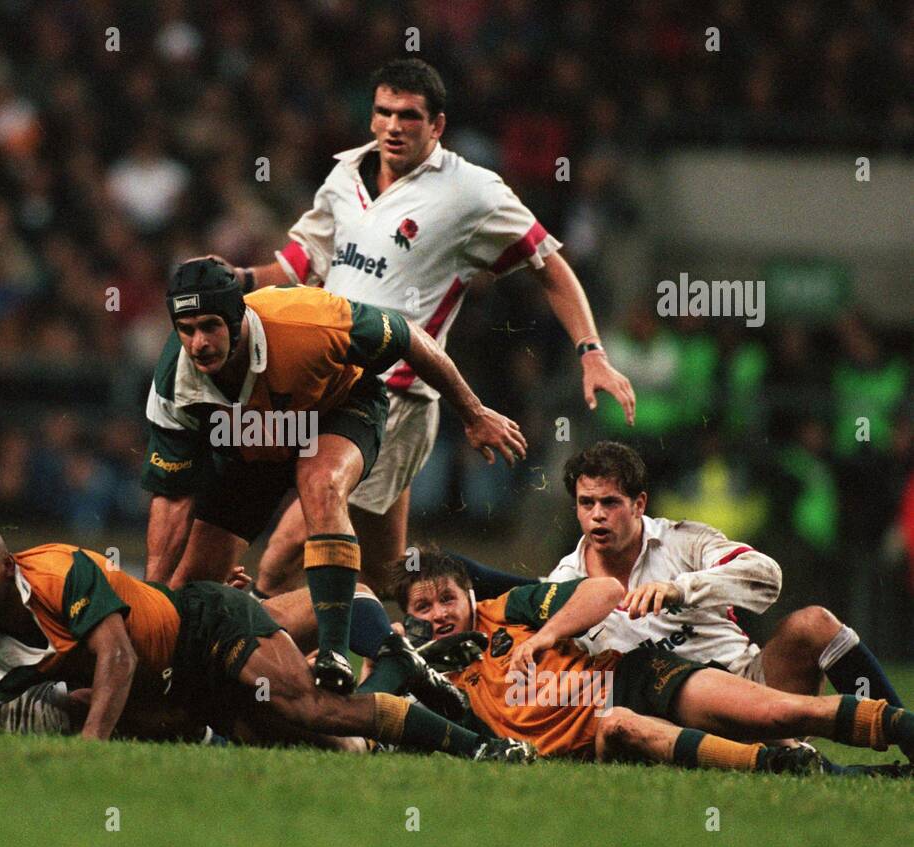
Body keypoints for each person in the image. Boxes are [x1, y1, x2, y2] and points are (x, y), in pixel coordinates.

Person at [214, 58, 635, 599]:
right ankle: (492, 607)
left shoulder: (472, 192)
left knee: (279, 560)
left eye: (409, 116)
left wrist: (591, 351)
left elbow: (549, 265)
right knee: (387, 572)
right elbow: (301, 263)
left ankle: (286, 675)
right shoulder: (345, 175)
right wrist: (241, 279)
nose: (394, 126)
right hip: (324, 388)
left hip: (397, 396)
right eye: (384, 112)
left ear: (436, 125)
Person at [142, 256, 525, 692]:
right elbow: (173, 498)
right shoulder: (174, 381)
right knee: (189, 586)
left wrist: (472, 413)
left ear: (239, 315)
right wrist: (152, 598)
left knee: (321, 486)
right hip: (252, 439)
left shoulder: (307, 323)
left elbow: (407, 338)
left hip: (338, 409)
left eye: (210, 325)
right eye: (186, 329)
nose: (198, 343)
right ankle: (207, 688)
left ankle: (334, 653)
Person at [0, 522, 532, 760]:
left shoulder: (60, 570)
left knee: (312, 704)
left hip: (206, 628)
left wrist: (88, 752)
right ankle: (401, 673)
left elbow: (117, 655)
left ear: (9, 566)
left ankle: (484, 748)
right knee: (338, 748)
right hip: (186, 692)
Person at [385, 549, 913, 775]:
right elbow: (375, 713)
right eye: (423, 608)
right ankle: (809, 770)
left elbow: (605, 591)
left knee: (783, 710)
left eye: (447, 599)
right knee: (619, 726)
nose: (439, 614)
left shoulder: (505, 609)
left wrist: (540, 638)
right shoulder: (425, 674)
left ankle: (903, 731)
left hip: (647, 676)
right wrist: (392, 654)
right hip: (601, 728)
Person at [546, 442, 908, 737]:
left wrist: (681, 590)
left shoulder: (682, 541)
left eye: (610, 502)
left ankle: (905, 733)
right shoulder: (564, 584)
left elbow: (767, 576)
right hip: (677, 714)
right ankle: (781, 749)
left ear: (639, 504)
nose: (596, 515)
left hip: (750, 679)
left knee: (814, 623)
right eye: (586, 503)